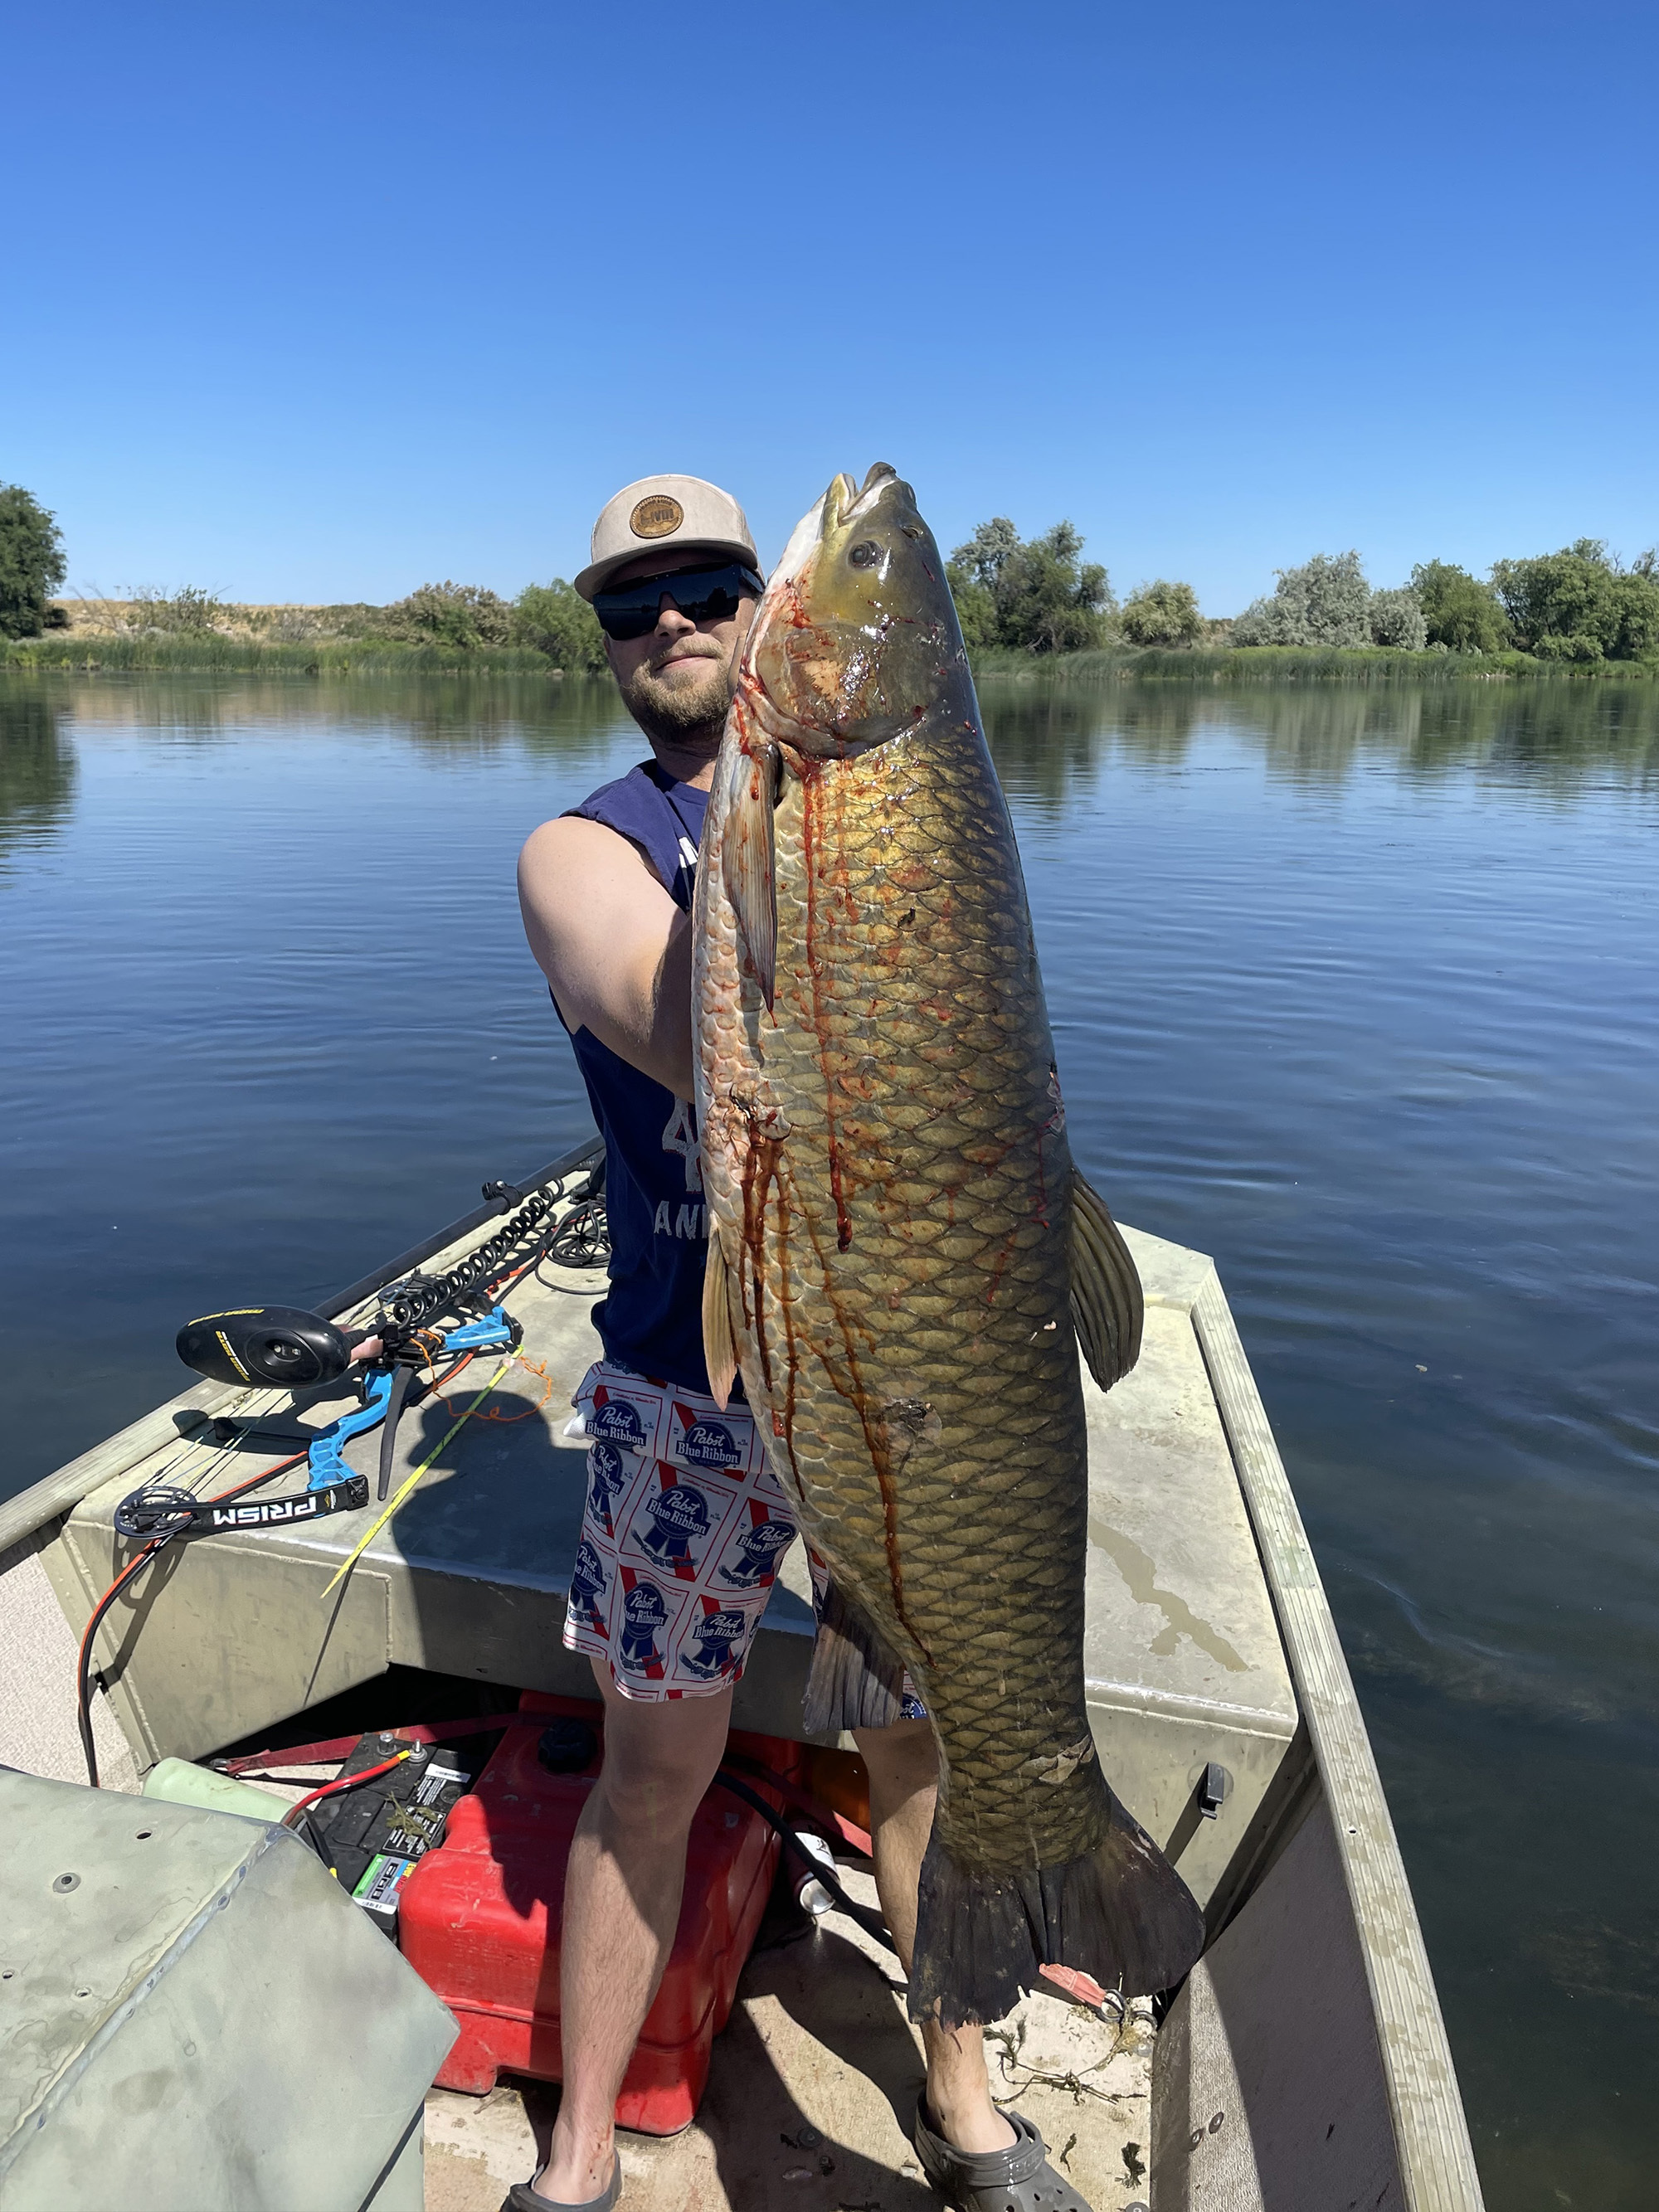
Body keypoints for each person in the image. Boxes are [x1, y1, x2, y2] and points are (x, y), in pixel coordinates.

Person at [513, 475, 1089, 2212]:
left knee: (912, 1742)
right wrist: (808, 824)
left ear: (763, 611)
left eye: (707, 586)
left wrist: (843, 816)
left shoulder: (879, 805)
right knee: (651, 1772)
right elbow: (701, 1025)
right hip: (687, 1398)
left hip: (892, 1371)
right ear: (609, 639)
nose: (674, 620)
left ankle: (965, 2104)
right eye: (637, 600)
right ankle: (584, 2141)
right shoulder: (581, 850)